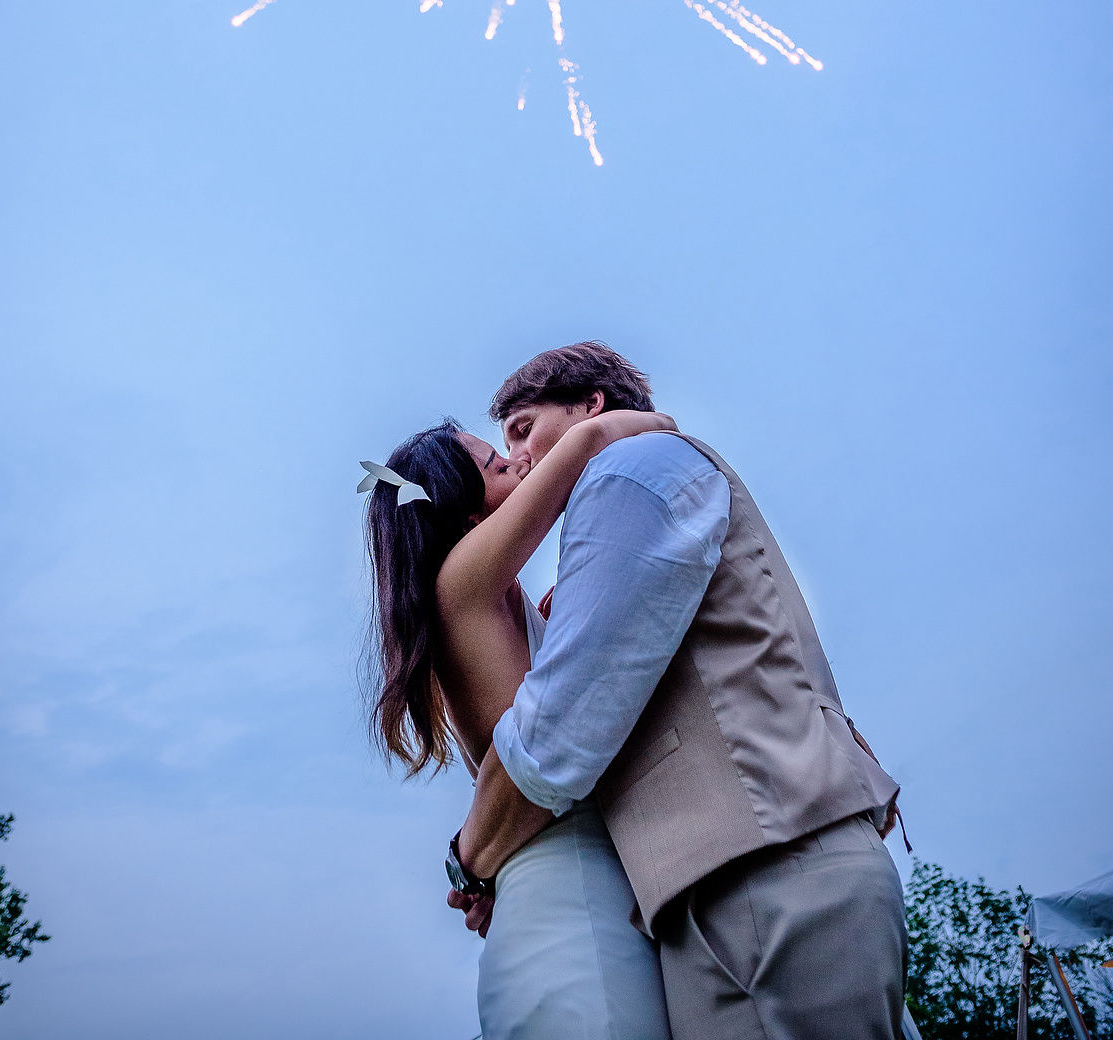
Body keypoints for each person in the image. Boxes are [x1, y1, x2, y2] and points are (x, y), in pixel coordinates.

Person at [452, 341, 908, 1040]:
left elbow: (560, 731)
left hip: (768, 872)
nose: (515, 456)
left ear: (591, 408)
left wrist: (475, 857)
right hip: (715, 885)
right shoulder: (593, 522)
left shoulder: (628, 472)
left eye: (522, 428)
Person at [361, 405, 675, 1040]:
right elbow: (587, 442)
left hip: (568, 893)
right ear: (466, 510)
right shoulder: (466, 577)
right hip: (570, 913)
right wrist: (636, 421)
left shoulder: (486, 595)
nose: (524, 461)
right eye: (499, 463)